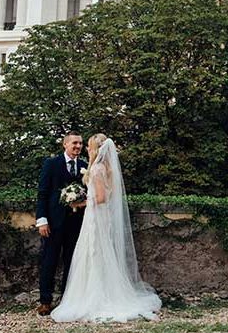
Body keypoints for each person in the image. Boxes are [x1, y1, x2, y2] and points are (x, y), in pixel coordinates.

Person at [52, 134, 162, 322]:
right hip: (103, 217)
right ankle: (104, 291)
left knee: (94, 252)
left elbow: (101, 198)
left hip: (95, 216)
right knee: (102, 252)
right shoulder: (108, 168)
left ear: (95, 148)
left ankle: (94, 297)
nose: (86, 149)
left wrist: (80, 203)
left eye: (88, 146)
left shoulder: (96, 169)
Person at [35, 132, 87, 315]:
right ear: (65, 145)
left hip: (76, 223)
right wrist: (42, 220)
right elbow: (42, 193)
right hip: (53, 223)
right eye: (74, 143)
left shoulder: (84, 166)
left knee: (72, 262)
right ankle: (45, 301)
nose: (78, 146)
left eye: (80, 143)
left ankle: (67, 300)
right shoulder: (52, 164)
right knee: (49, 260)